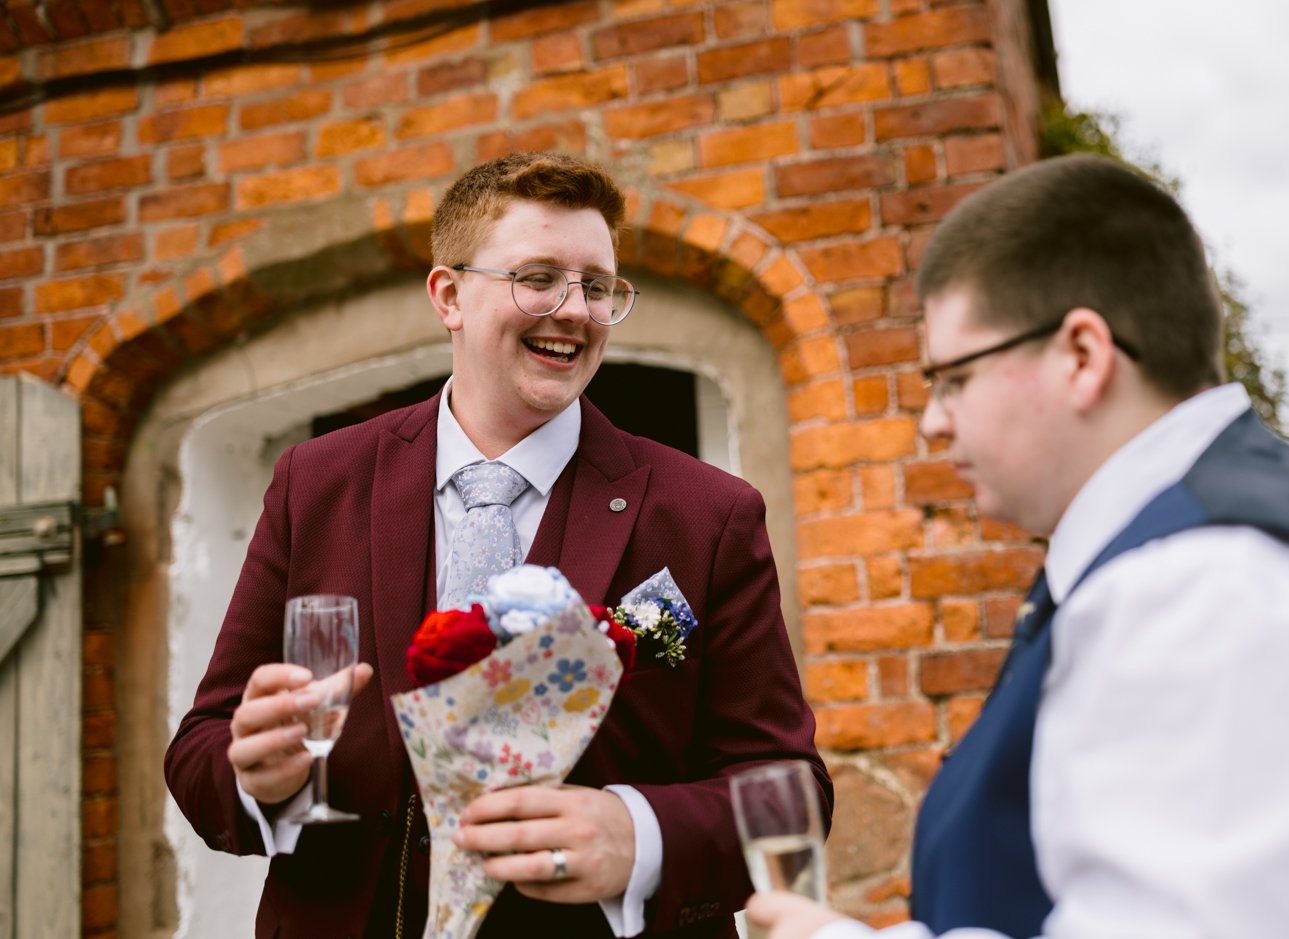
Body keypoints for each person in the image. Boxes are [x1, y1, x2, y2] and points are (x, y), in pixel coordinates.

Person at [749, 154, 1289, 939]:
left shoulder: (1223, 588)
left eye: (953, 377)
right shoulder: (1167, 561)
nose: (934, 421)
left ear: (1083, 356)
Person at [166, 151, 830, 939]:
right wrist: (256, 778)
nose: (576, 310)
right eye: (539, 276)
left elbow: (789, 787)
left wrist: (637, 832)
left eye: (598, 286)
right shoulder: (316, 481)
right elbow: (202, 746)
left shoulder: (708, 513)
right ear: (448, 295)